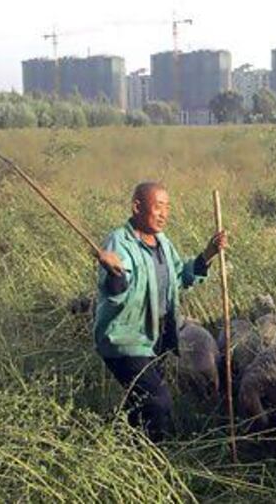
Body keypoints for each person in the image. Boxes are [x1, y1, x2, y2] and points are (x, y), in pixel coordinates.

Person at [94, 182, 226, 441]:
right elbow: (115, 291)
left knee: (141, 403)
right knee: (158, 401)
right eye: (158, 207)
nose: (164, 214)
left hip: (159, 337)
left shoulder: (162, 242)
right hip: (127, 339)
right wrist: (114, 272)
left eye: (167, 207)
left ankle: (124, 447)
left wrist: (209, 253)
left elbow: (181, 276)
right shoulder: (119, 242)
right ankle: (157, 456)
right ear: (137, 207)